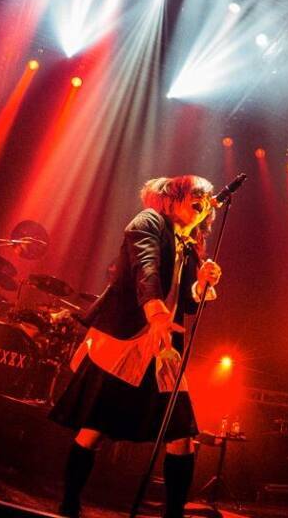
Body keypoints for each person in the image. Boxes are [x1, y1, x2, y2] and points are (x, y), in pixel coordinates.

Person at [50, 175, 224, 518]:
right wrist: (156, 314)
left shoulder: (189, 245)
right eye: (195, 194)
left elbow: (187, 303)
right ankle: (69, 503)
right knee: (95, 428)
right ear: (172, 198)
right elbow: (145, 270)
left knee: (181, 434)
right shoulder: (149, 222)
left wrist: (201, 283)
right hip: (127, 340)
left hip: (163, 348)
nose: (203, 202)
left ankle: (173, 515)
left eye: (206, 199)